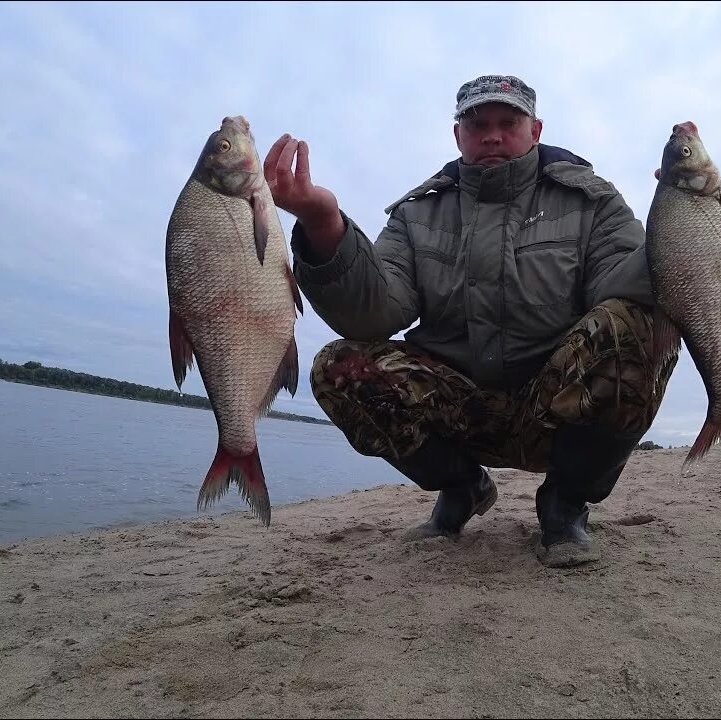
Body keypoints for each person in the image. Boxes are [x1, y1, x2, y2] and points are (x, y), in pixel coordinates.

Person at [262, 74, 677, 568]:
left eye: (508, 122)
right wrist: (323, 226)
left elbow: (624, 281)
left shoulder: (593, 202)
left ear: (536, 130)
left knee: (637, 327)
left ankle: (565, 505)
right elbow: (374, 312)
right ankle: (463, 487)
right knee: (340, 366)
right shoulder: (417, 215)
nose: (493, 135)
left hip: (554, 408)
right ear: (457, 135)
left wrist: (685, 230)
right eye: (478, 124)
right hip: (457, 407)